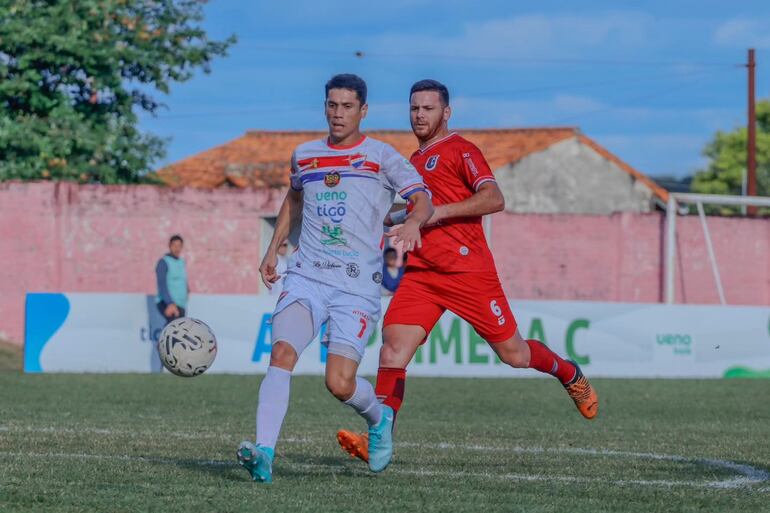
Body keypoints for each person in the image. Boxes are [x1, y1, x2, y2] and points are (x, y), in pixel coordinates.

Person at [337, 79, 598, 471]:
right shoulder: (413, 161)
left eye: (428, 108)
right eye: (414, 108)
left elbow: (494, 198)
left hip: (468, 272)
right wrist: (374, 217)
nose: (419, 115)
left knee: (515, 354)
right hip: (423, 273)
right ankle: (380, 433)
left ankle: (568, 371)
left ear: (446, 112)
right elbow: (410, 210)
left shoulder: (462, 150)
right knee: (392, 348)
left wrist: (435, 213)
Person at [236, 74, 433, 483]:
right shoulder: (304, 155)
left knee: (339, 383)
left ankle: (380, 419)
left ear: (363, 111)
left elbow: (422, 199)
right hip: (306, 275)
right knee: (281, 354)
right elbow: (294, 198)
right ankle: (265, 453)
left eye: (346, 106)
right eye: (331, 105)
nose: (337, 113)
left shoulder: (382, 156)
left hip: (356, 286)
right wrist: (273, 248)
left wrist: (413, 221)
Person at [155, 234, 189, 325]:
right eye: (174, 245)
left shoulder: (181, 261)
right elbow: (161, 284)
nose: (177, 248)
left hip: (180, 303)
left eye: (179, 246)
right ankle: (161, 340)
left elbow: (182, 279)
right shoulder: (164, 262)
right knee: (172, 329)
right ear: (170, 246)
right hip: (168, 303)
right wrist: (170, 303)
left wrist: (187, 291)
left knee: (180, 332)